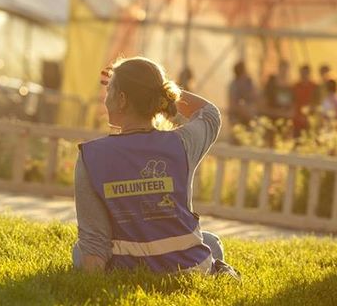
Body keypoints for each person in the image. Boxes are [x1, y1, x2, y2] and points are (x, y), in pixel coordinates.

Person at [72, 56, 237, 277]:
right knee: (210, 241)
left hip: (128, 270)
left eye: (109, 90)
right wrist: (157, 90)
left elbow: (95, 241)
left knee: (78, 250)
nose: (105, 97)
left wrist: (93, 282)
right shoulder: (183, 143)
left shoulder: (91, 156)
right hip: (191, 267)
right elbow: (210, 114)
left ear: (122, 99)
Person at [227, 60, 257, 131]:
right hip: (237, 118)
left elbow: (255, 97)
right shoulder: (234, 85)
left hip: (250, 116)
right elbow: (233, 104)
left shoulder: (249, 83)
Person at [291, 64, 319, 138]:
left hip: (309, 120)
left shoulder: (314, 87)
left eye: (306, 73)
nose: (304, 75)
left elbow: (317, 103)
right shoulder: (295, 87)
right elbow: (292, 102)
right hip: (297, 121)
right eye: (302, 73)